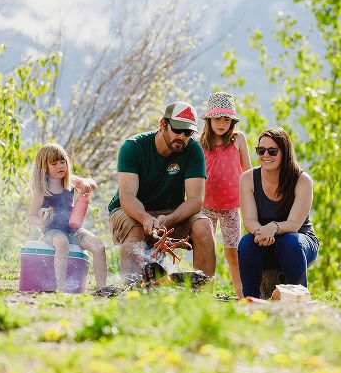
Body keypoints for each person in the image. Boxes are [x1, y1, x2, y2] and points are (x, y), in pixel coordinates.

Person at [108, 100, 216, 280]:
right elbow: (127, 197)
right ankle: (131, 292)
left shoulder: (193, 149)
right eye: (177, 130)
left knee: (204, 226)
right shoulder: (132, 147)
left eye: (188, 132)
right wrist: (145, 218)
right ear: (163, 124)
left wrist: (169, 219)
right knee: (137, 229)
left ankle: (204, 295)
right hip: (130, 210)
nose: (182, 136)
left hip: (170, 212)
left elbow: (196, 200)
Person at [238, 127, 320, 298]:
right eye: (261, 151)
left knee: (288, 242)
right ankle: (250, 302)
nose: (265, 155)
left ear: (285, 152)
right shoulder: (248, 178)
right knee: (246, 244)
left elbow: (294, 225)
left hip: (299, 243)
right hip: (264, 240)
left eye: (272, 151)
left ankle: (298, 300)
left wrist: (273, 227)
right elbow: (250, 220)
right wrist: (262, 232)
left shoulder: (302, 180)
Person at [27, 143, 107, 292]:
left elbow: (92, 183)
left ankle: (102, 289)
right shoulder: (41, 189)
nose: (60, 166)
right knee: (62, 243)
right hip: (52, 231)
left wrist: (85, 183)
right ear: (44, 167)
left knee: (98, 246)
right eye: (54, 163)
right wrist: (42, 221)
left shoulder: (68, 181)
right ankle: (62, 288)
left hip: (74, 229)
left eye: (63, 162)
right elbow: (32, 216)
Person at [200, 92, 252, 298]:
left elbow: (248, 171)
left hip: (232, 205)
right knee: (207, 250)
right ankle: (205, 291)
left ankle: (241, 293)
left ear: (232, 121)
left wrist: (252, 199)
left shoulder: (238, 139)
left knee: (233, 251)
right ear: (209, 120)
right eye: (217, 119)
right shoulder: (200, 142)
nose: (222, 123)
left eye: (226, 119)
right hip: (206, 205)